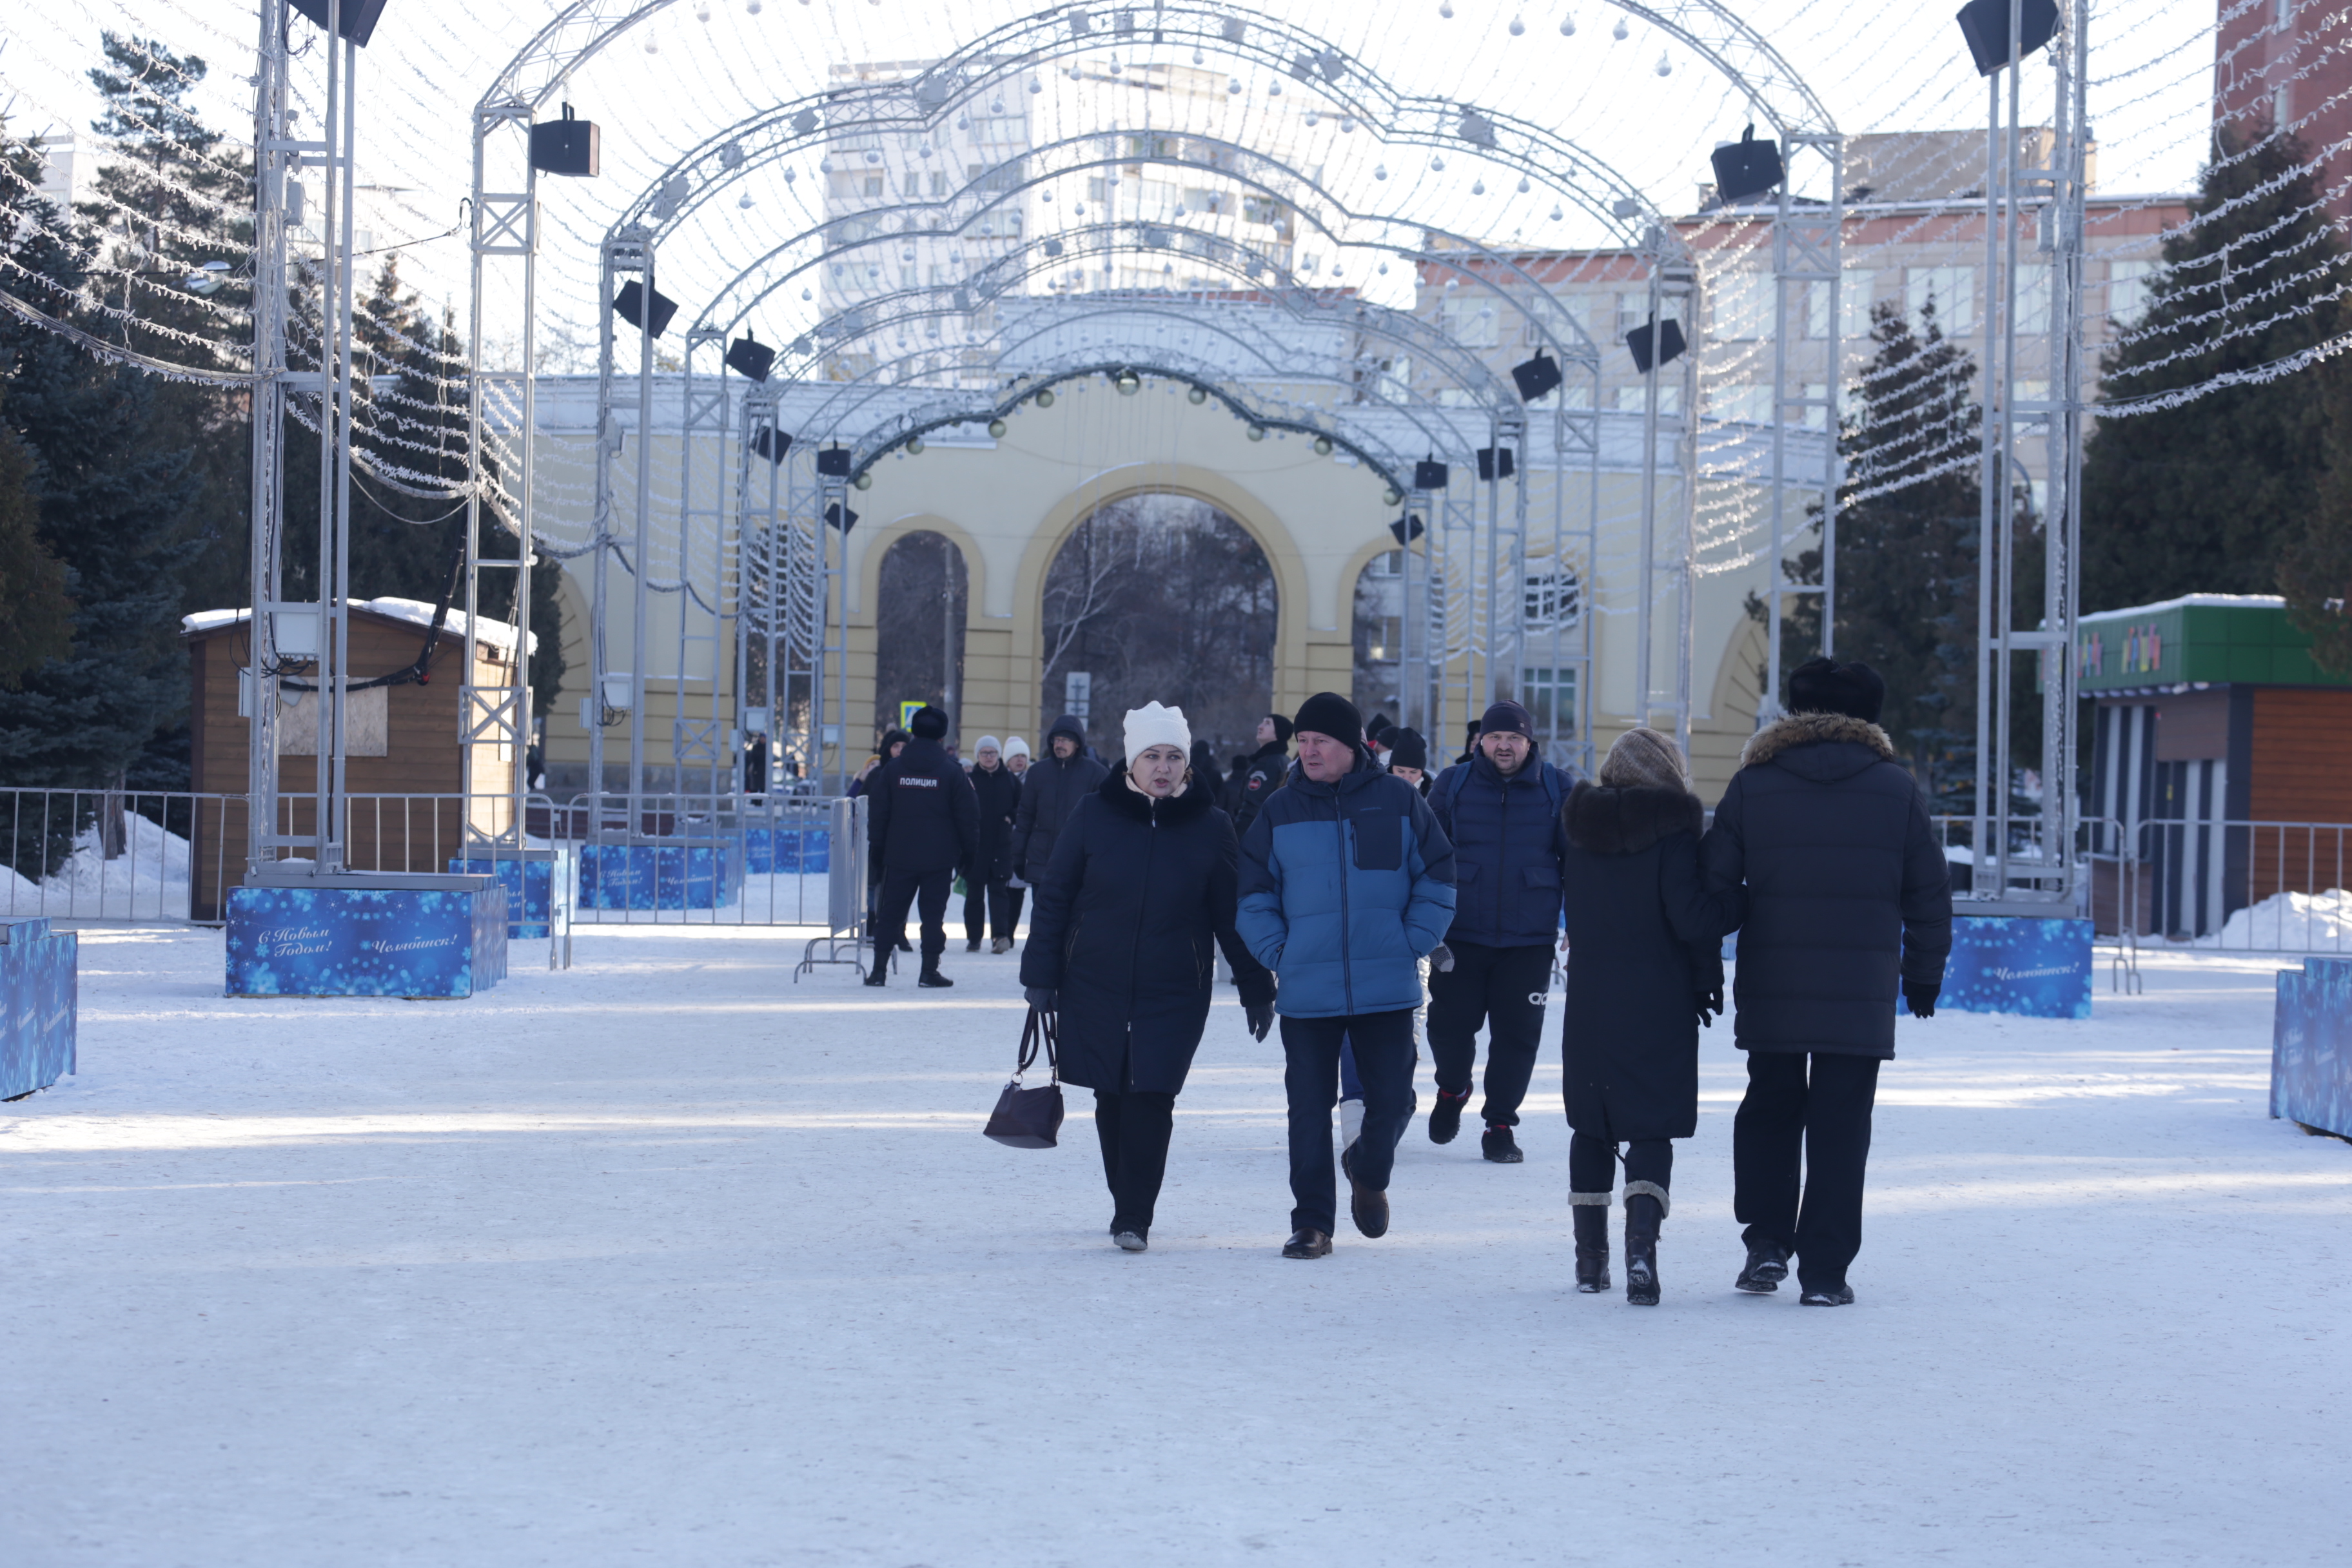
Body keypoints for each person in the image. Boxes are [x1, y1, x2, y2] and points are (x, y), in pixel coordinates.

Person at [1700, 658, 1953, 1306]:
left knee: (1769, 1111)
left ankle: (1764, 1240)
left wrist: (1709, 952)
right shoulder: (1895, 789)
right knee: (1842, 1129)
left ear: (1794, 712)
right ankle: (1825, 1272)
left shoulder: (1755, 784)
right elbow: (1928, 892)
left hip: (1774, 983)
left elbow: (1713, 886)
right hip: (1859, 995)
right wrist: (1923, 973)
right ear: (1868, 716)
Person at [1023, 703, 1277, 1251]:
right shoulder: (1093, 815)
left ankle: (1136, 1213)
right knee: (1111, 1096)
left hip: (1175, 988)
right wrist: (1041, 975)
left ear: (1187, 766)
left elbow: (1232, 914)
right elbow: (1056, 899)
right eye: (1152, 756)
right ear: (1131, 762)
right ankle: (1124, 1199)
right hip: (1094, 980)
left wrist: (1256, 984)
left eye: (1174, 758)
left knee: (1153, 1096)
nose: (1163, 768)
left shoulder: (1211, 828)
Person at [1237, 691, 1456, 1260]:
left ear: (1351, 745)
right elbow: (1253, 889)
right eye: (1302, 741)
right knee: (1308, 1109)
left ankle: (1369, 1167)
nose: (1308, 751)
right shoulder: (1280, 809)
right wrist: (1276, 951)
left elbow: (1438, 871)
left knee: (1392, 1099)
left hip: (1387, 982)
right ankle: (1311, 1222)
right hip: (1308, 987)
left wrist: (1416, 938)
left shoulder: (1399, 801)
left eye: (1320, 742)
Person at [1559, 728, 1742, 1306]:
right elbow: (1692, 920)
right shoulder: (1672, 833)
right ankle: (1642, 1250)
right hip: (1656, 1000)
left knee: (1592, 1123)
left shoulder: (1579, 833)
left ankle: (1590, 1263)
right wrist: (1745, 899)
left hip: (1589, 1000)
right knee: (1649, 1123)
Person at [1424, 700, 1579, 1164]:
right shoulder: (1454, 784)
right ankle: (1453, 1089)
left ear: (1530, 742)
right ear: (1480, 742)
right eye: (1496, 738)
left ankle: (1500, 1125)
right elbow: (1426, 856)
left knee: (1517, 1037)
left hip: (1529, 939)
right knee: (1449, 1030)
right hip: (1460, 935)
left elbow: (1577, 860)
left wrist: (1578, 920)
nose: (1504, 746)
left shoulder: (1558, 788)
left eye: (1514, 738)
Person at [864, 705, 978, 988]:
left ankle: (878, 971)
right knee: (933, 916)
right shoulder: (952, 773)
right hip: (939, 858)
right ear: (942, 736)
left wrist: (877, 849)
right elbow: (968, 817)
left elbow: (879, 813)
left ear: (913, 732)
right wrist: (968, 854)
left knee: (890, 913)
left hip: (898, 855)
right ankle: (929, 971)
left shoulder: (893, 770)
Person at [1010, 714, 1109, 894]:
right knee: (1042, 919)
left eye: (1065, 740)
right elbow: (1025, 816)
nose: (1059, 744)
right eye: (1056, 740)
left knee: (1073, 920)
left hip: (1078, 865)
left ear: (1077, 743)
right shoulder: (1038, 773)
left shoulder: (1096, 774)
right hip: (1041, 864)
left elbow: (1104, 822)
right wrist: (1018, 856)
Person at [964, 736, 1023, 954]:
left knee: (999, 893)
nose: (988, 757)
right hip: (976, 845)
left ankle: (1000, 936)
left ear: (998, 755)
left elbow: (1023, 806)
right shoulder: (969, 780)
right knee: (974, 895)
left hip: (1001, 845)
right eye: (984, 753)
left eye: (992, 753)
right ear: (977, 756)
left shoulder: (1009, 780)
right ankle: (974, 938)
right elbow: (959, 808)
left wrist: (1011, 817)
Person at [1230, 713, 1293, 836]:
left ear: (1278, 732)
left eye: (1267, 723)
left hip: (1253, 833)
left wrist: (1237, 835)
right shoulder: (1285, 760)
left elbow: (1253, 807)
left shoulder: (1267, 764)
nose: (1260, 727)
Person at [1384, 727, 1431, 793]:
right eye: (1400, 771)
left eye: (1413, 772)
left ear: (1422, 772)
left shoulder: (1435, 796)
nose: (1406, 778)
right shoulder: (1378, 792)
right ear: (1391, 769)